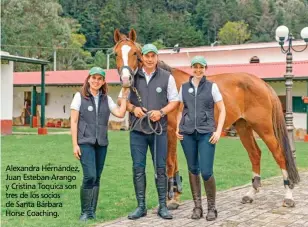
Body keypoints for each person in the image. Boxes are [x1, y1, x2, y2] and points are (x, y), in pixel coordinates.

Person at [124, 44, 179, 220]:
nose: (149, 59)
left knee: (160, 168)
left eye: (152, 56)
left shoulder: (167, 77)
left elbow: (175, 101)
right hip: (137, 131)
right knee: (138, 169)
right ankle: (141, 206)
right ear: (142, 58)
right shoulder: (131, 77)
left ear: (156, 58)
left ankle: (163, 206)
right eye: (146, 56)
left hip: (158, 131)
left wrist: (161, 112)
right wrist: (133, 109)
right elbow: (122, 101)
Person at [70, 66, 129, 221]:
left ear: (103, 82)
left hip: (101, 143)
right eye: (93, 78)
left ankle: (92, 212)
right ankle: (85, 211)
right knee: (89, 176)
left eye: (99, 79)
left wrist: (124, 97)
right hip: (85, 142)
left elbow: (120, 114)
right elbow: (74, 121)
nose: (96, 81)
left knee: (97, 177)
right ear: (88, 79)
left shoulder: (106, 99)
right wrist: (74, 144)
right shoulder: (79, 97)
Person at [176, 56, 226, 221]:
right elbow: (179, 110)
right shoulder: (183, 88)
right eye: (195, 67)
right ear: (191, 68)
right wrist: (178, 128)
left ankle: (212, 207)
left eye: (201, 67)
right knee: (192, 169)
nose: (198, 70)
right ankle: (197, 207)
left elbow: (222, 110)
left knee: (206, 171)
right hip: (187, 134)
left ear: (205, 68)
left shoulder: (212, 87)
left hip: (206, 133)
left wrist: (218, 131)